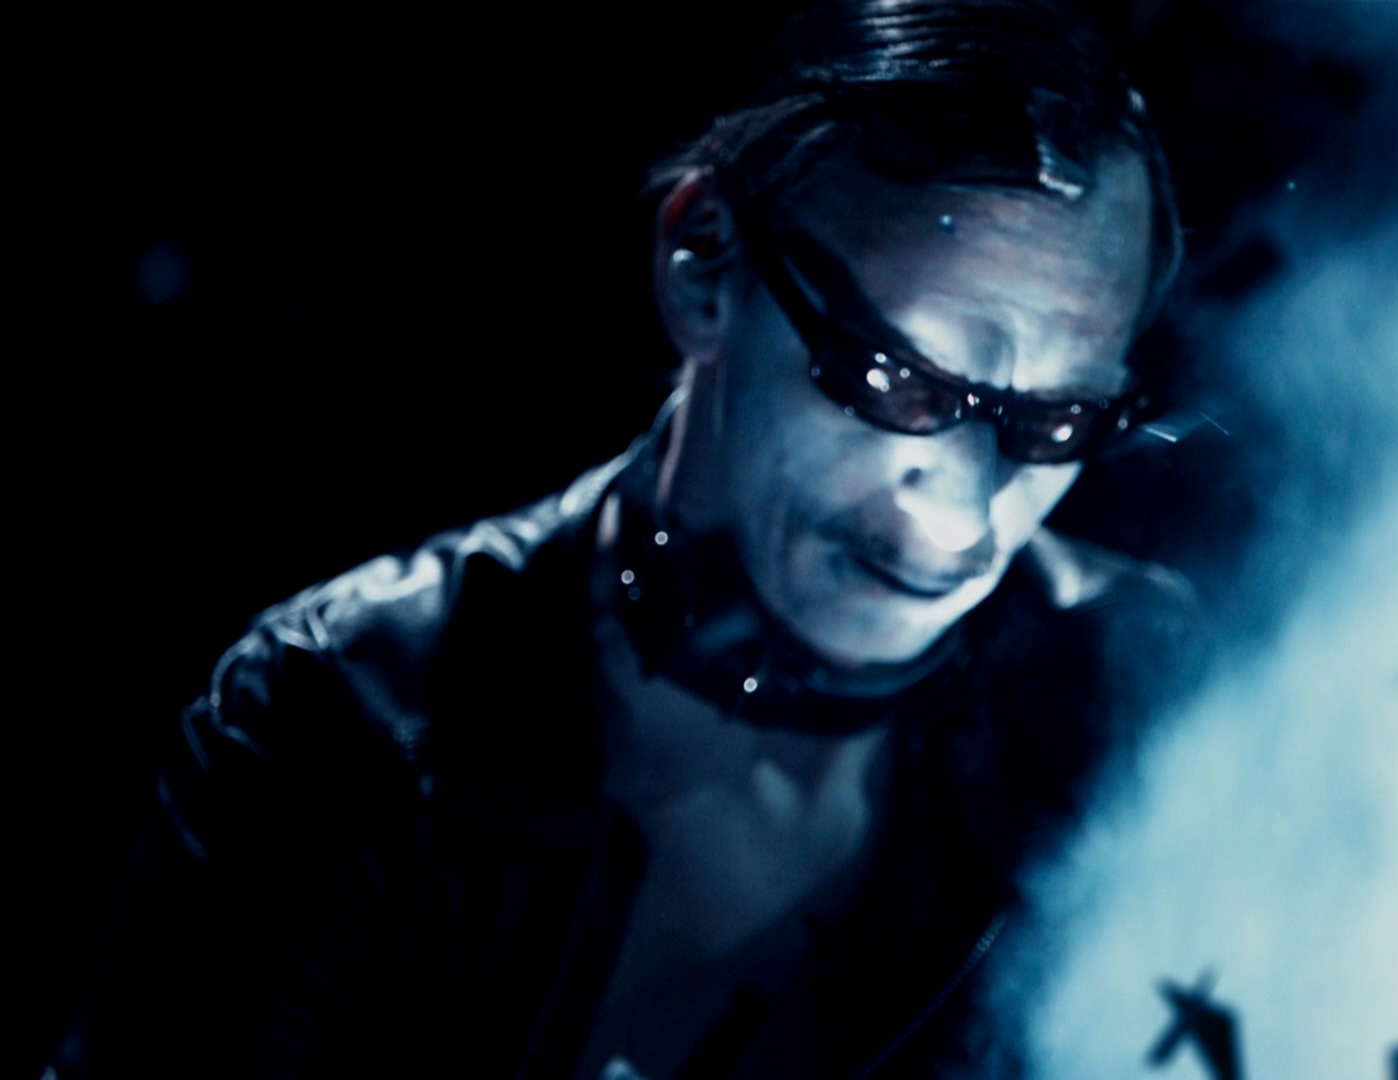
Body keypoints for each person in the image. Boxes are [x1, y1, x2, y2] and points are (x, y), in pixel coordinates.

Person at [60, 1, 1201, 1075]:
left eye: (1057, 423)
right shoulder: (348, 726)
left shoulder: (1138, 699)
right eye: (889, 378)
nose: (962, 506)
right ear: (704, 259)